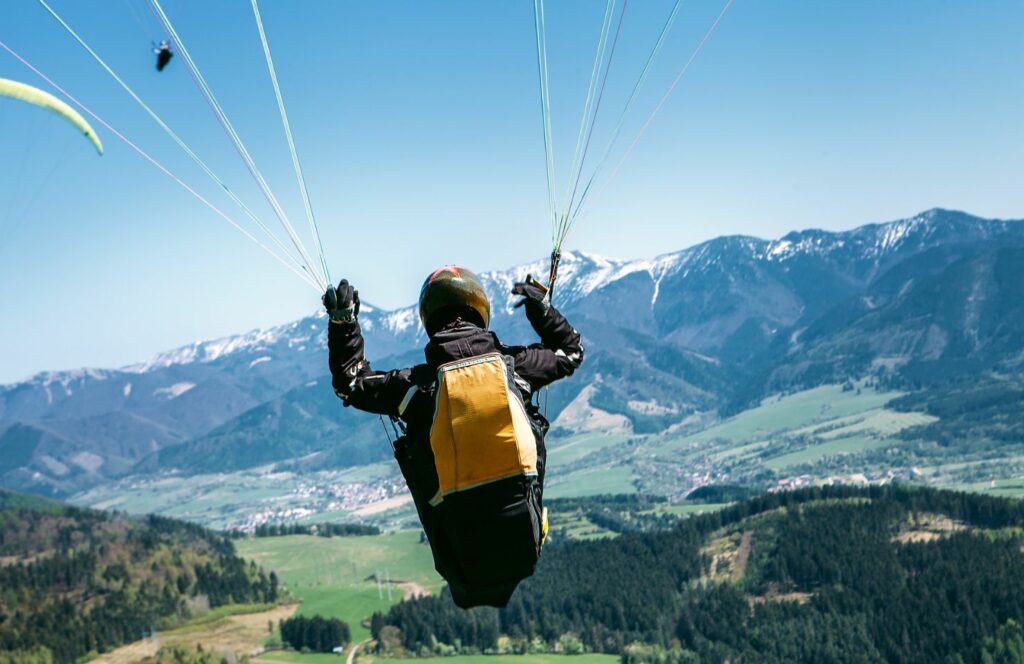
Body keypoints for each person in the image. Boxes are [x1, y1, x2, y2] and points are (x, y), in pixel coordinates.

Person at [324, 266, 583, 608]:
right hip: (522, 541)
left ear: (429, 320)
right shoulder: (516, 368)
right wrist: (542, 310)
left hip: (461, 556)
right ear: (481, 312)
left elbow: (351, 383)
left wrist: (344, 323)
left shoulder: (416, 388)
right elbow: (571, 352)